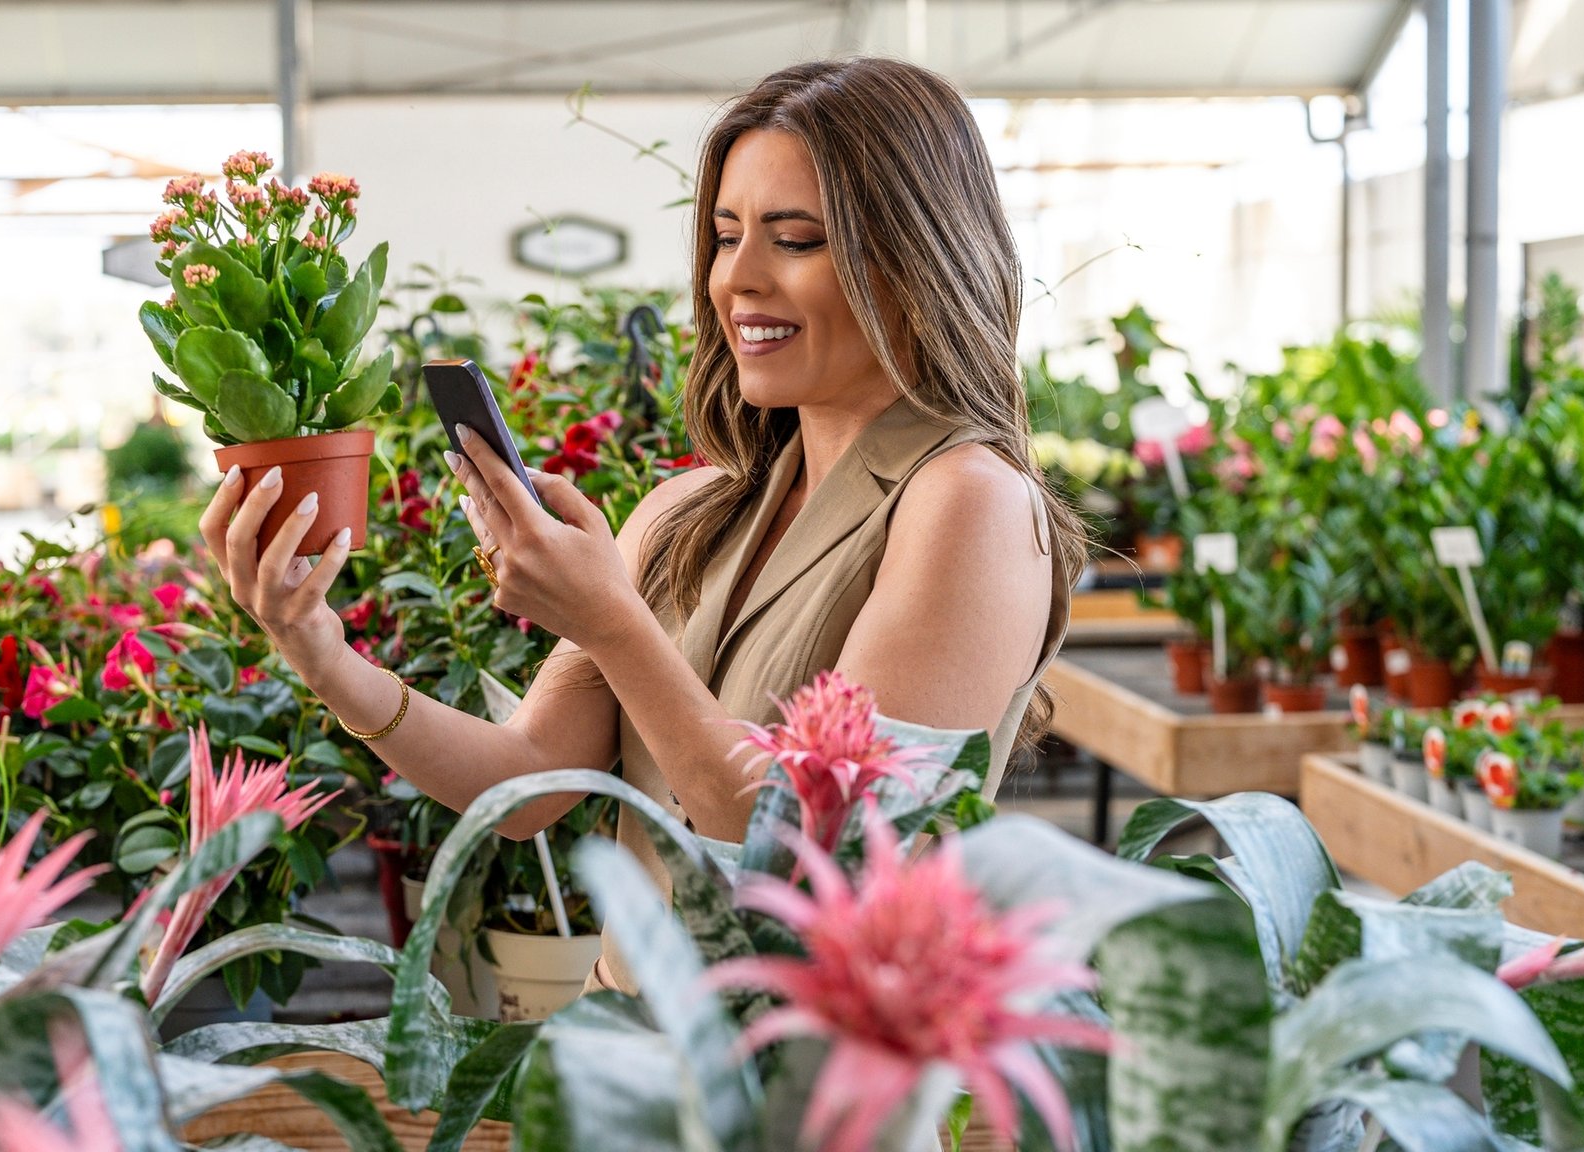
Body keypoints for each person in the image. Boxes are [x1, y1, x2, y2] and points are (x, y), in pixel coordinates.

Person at [200, 56, 1084, 994]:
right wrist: (319, 648)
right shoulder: (688, 513)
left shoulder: (965, 502)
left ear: (915, 261)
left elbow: (806, 842)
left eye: (795, 239)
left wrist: (610, 621)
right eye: (726, 234)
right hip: (630, 1060)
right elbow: (524, 786)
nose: (736, 279)